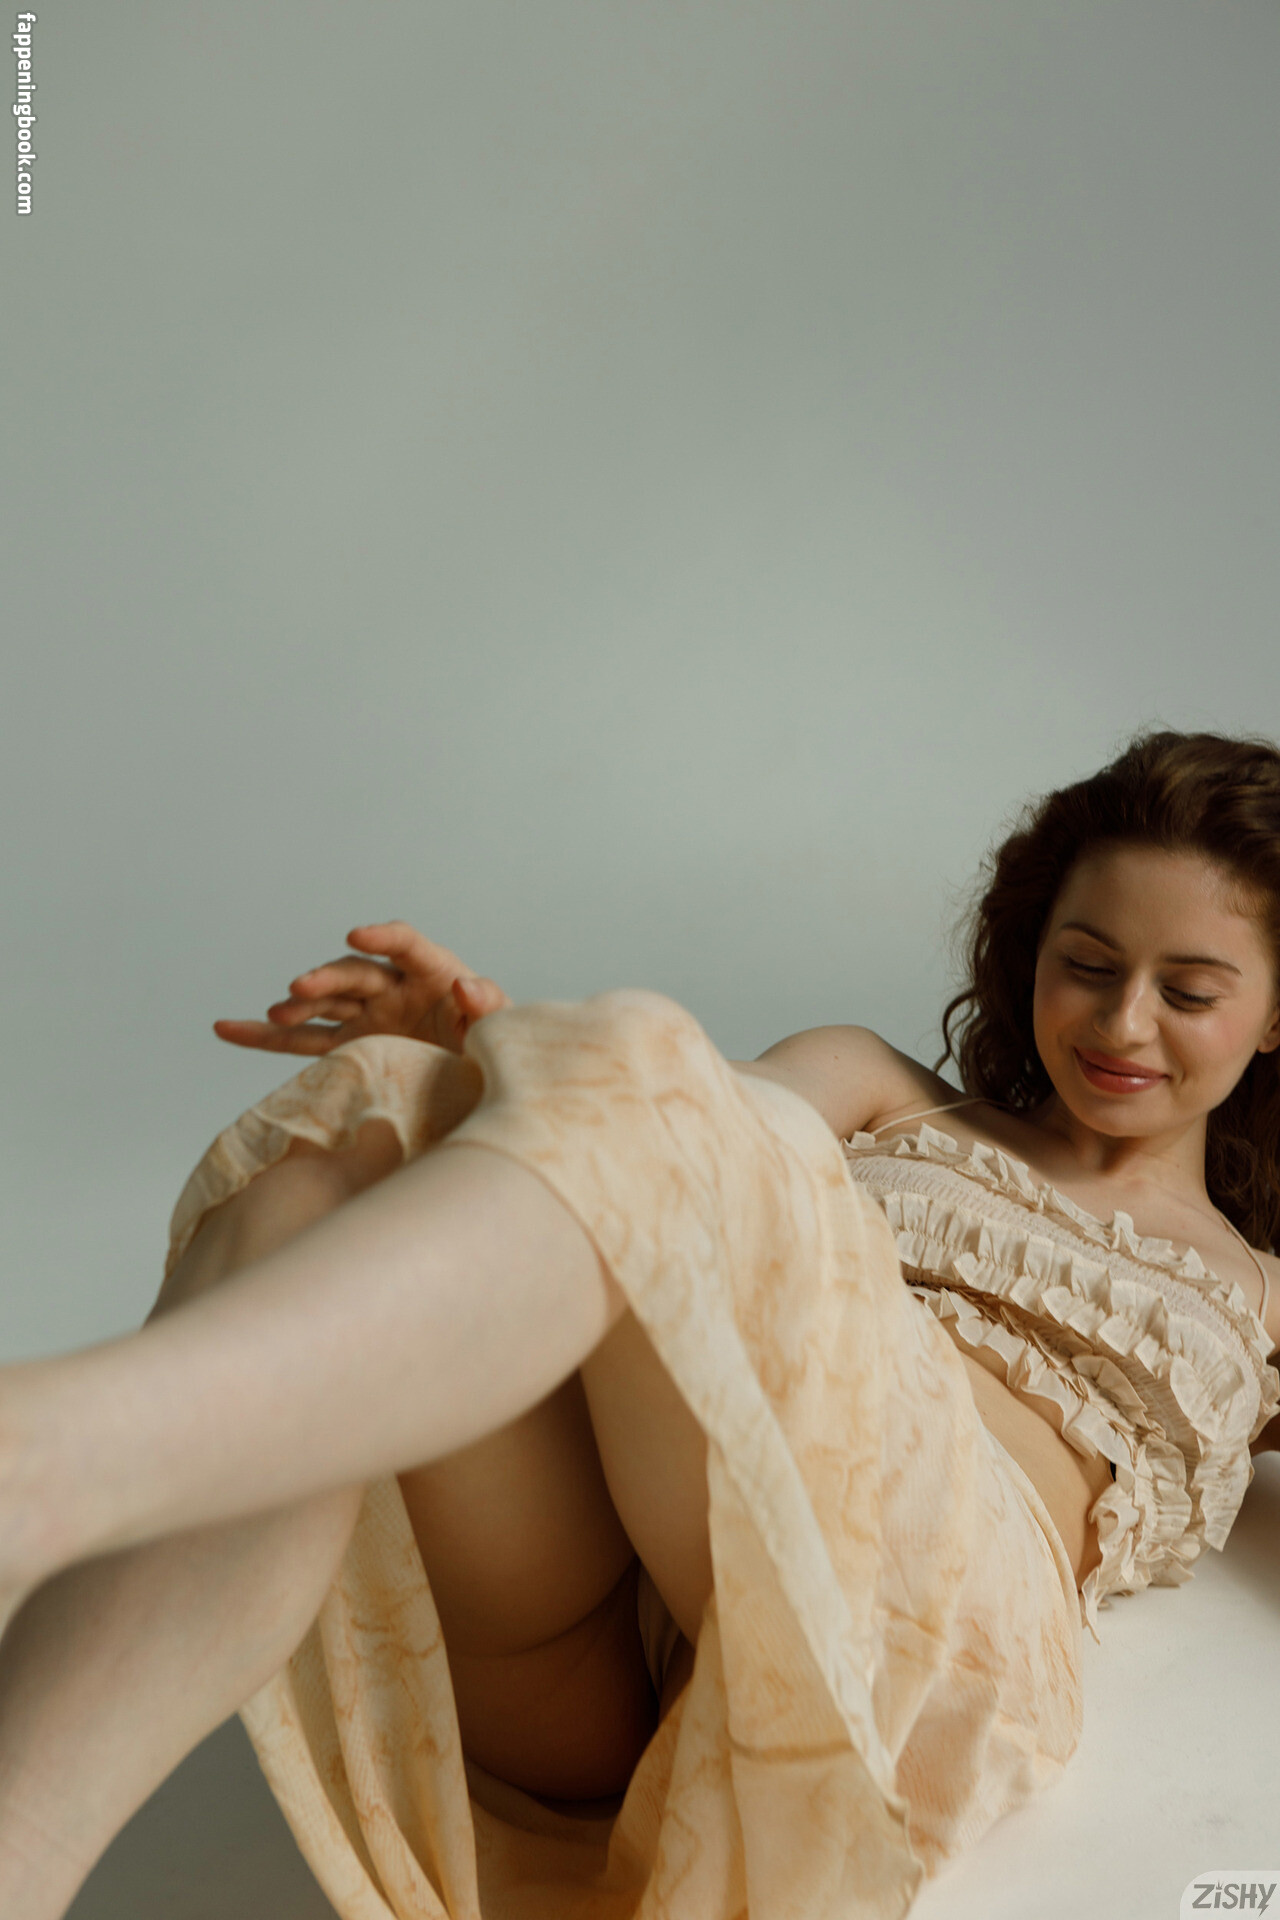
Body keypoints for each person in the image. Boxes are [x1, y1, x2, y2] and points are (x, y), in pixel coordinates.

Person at [0, 727, 1277, 1920]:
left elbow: (671, 1122)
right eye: (1086, 965)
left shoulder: (1260, 1289)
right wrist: (487, 1068)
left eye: (1187, 991)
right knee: (355, 1151)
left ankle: (63, 1450)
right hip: (611, 1665)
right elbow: (666, 1144)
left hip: (906, 1634)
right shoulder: (883, 1089)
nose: (1120, 1023)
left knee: (636, 1066)